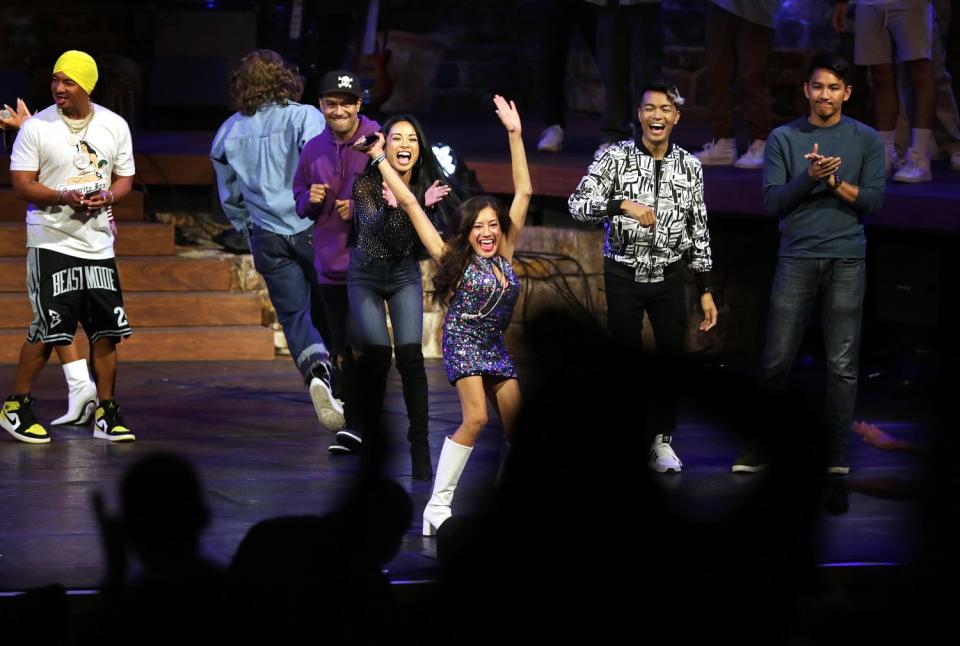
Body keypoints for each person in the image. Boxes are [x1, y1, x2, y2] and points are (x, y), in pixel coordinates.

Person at [363, 95, 531, 534]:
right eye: (478, 227)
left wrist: (515, 134)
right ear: (467, 233)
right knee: (475, 418)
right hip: (461, 341)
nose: (488, 232)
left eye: (493, 225)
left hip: (493, 346)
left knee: (520, 428)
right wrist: (381, 158)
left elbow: (525, 190)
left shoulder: (506, 253)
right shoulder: (450, 257)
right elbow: (415, 206)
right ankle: (437, 507)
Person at [732, 53, 885, 474]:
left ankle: (836, 453)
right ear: (806, 90)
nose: (825, 95)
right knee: (777, 359)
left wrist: (833, 182)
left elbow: (872, 201)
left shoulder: (866, 139)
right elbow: (773, 202)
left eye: (834, 88)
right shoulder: (784, 138)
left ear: (847, 93)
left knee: (841, 364)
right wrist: (811, 178)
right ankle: (761, 446)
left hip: (847, 259)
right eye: (818, 86)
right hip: (796, 256)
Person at [569, 81, 718, 473]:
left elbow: (698, 229)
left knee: (672, 362)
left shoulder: (690, 166)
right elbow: (578, 206)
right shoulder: (613, 158)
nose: (657, 116)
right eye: (650, 108)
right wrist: (620, 205)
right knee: (625, 362)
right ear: (639, 115)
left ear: (676, 117)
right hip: (624, 273)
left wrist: (704, 289)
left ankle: (661, 440)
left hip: (669, 276)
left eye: (665, 109)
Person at [1, 51, 135, 444]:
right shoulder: (36, 128)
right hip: (51, 239)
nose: (59, 88)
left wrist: (108, 197)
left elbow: (125, 177)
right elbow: (22, 183)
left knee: (106, 331)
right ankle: (16, 406)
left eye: (68, 82)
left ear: (87, 86)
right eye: (56, 80)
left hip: (97, 244)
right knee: (49, 328)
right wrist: (64, 196)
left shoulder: (114, 125)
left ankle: (106, 413)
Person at [211, 49, 344, 434]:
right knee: (333, 303)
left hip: (266, 234)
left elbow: (230, 196)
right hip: (310, 227)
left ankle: (317, 372)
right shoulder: (304, 117)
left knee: (295, 315)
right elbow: (323, 167)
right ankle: (343, 379)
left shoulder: (228, 132)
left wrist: (246, 227)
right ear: (286, 79)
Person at [347, 113, 462, 481]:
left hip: (402, 275)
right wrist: (410, 206)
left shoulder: (427, 183)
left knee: (412, 357)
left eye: (412, 139)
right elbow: (377, 233)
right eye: (397, 138)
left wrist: (420, 205)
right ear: (384, 145)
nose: (405, 146)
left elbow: (423, 247)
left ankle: (420, 447)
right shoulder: (366, 184)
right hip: (365, 274)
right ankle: (373, 443)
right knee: (378, 356)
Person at [293, 70, 380, 455]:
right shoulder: (313, 149)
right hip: (329, 263)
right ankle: (350, 414)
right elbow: (299, 202)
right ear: (321, 107)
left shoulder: (379, 142)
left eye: (347, 102)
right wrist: (309, 198)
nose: (339, 109)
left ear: (359, 104)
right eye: (331, 103)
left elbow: (400, 197)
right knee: (341, 346)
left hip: (368, 264)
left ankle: (361, 423)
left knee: (365, 345)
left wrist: (361, 207)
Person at [1, 97, 99, 426]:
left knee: (53, 312)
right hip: (54, 228)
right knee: (52, 312)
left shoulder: (94, 127)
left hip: (68, 230)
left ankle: (73, 389)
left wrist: (29, 128)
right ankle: (79, 388)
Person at [832, 0, 936, 182]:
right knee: (879, 74)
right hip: (869, 4)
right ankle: (886, 154)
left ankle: (920, 157)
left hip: (910, 4)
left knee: (919, 71)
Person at [694, 0, 782, 169]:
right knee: (717, 72)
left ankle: (760, 142)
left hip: (758, 7)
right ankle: (723, 143)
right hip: (721, 4)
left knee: (753, 74)